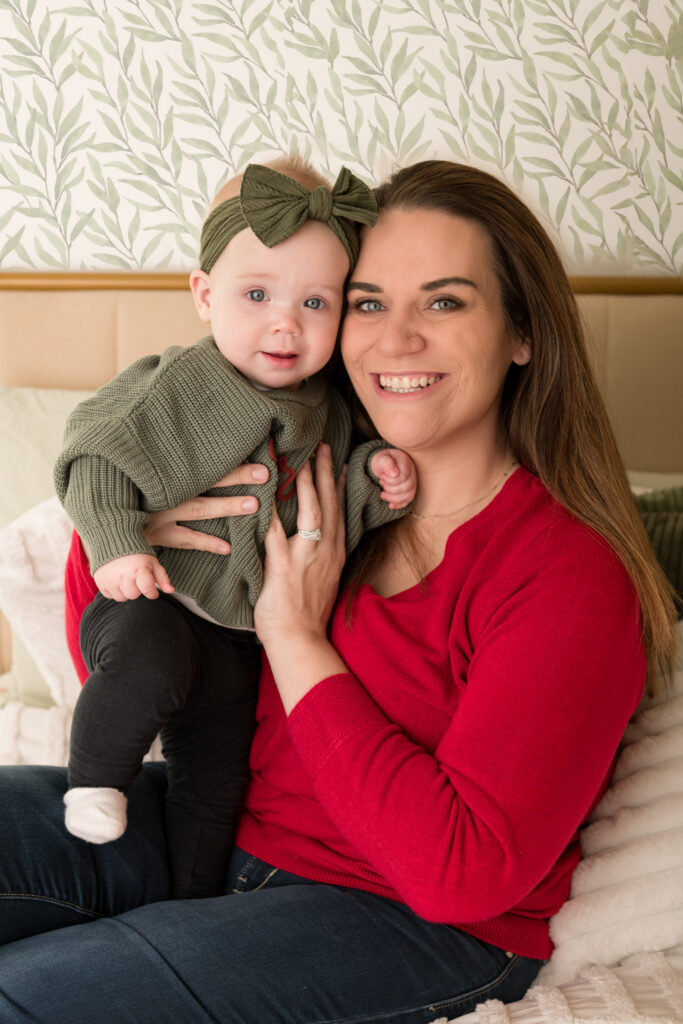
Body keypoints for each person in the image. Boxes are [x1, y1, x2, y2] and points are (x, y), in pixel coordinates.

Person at [0, 160, 676, 1024]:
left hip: (405, 918)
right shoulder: (319, 472)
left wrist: (294, 637)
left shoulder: (565, 574)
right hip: (217, 835)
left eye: (444, 301)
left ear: (522, 332)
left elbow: (459, 873)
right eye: (365, 302)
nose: (394, 339)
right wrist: (135, 531)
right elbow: (128, 666)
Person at [52, 157, 416, 899]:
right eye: (256, 295)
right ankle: (94, 782)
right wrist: (120, 544)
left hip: (239, 634)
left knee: (216, 773)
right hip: (155, 598)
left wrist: (378, 481)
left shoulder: (330, 406)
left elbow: (328, 501)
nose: (286, 322)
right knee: (146, 673)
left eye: (317, 302)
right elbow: (92, 454)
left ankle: (192, 899)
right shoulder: (177, 382)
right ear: (204, 295)